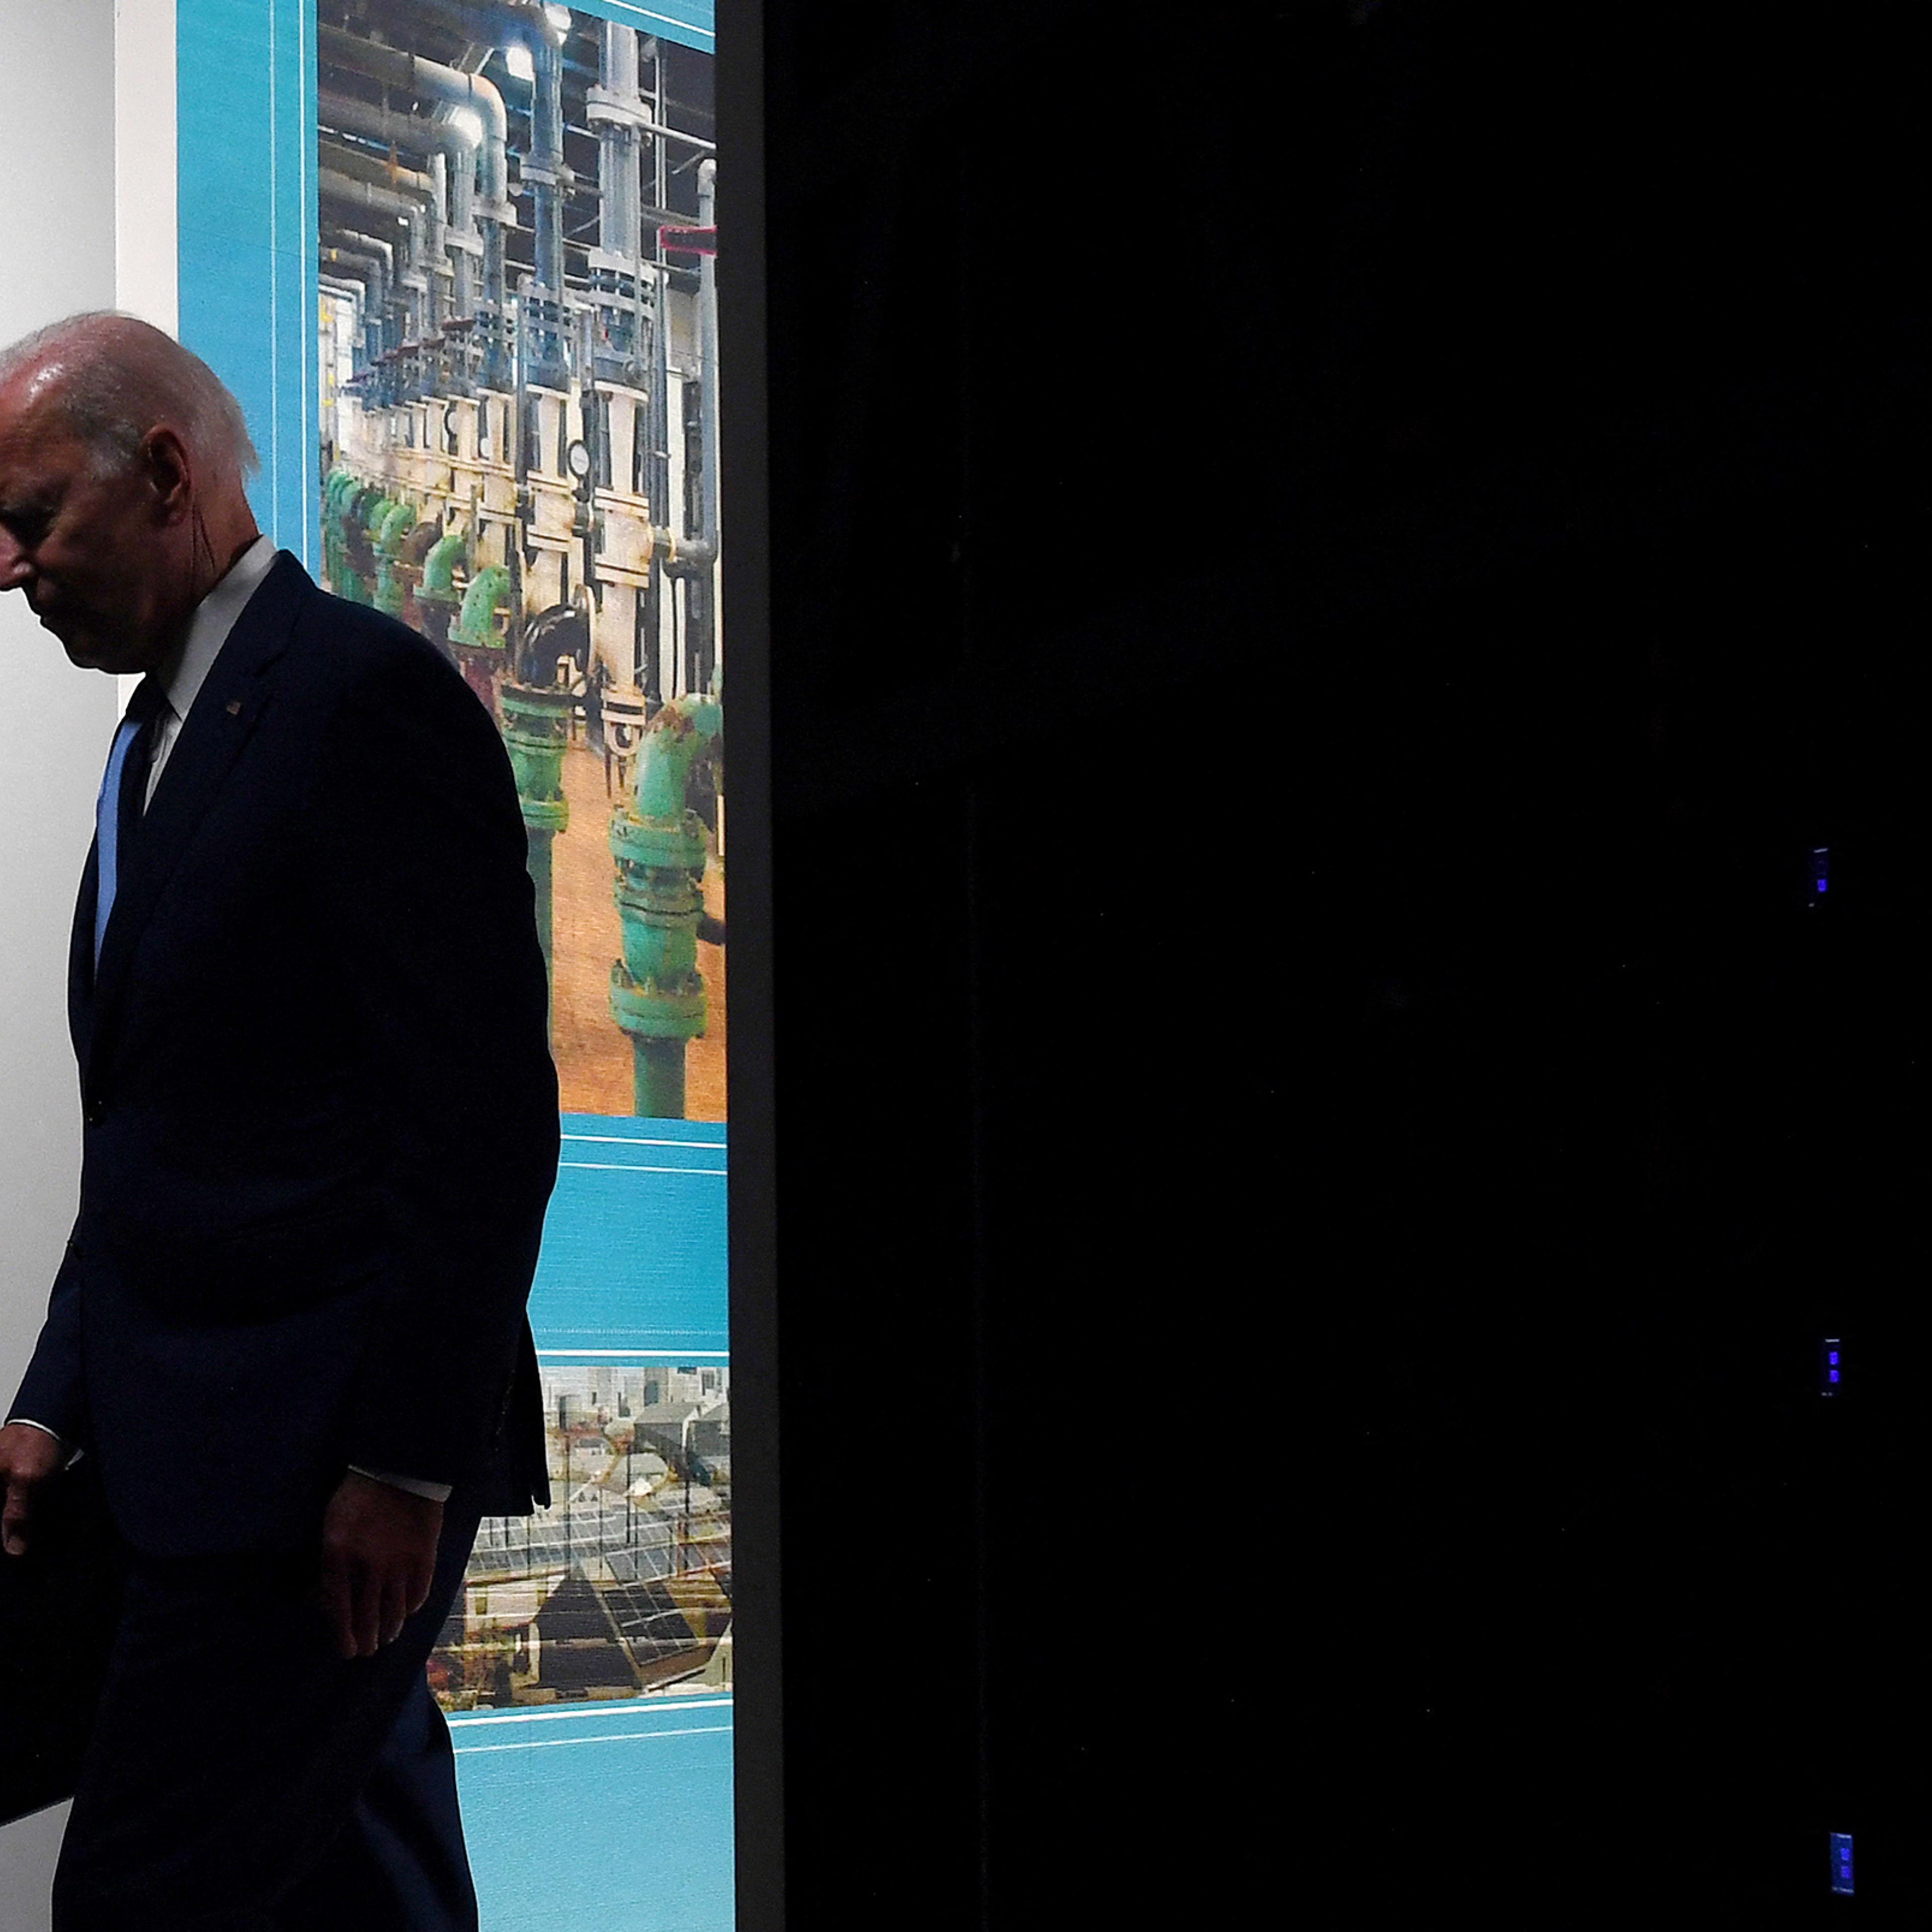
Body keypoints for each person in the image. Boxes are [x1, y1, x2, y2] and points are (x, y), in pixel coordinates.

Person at [0, 313, 558, 1928]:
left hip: (311, 1485)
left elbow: (481, 1129)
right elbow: (160, 1133)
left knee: (140, 1898)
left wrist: (404, 1461)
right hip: (191, 1460)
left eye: (36, 519)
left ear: (166, 475)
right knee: (366, 1880)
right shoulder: (161, 737)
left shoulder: (359, 701)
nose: (14, 566)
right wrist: (58, 1392)